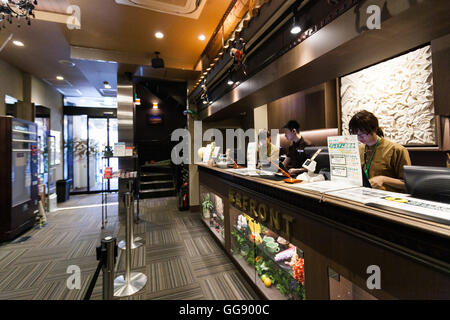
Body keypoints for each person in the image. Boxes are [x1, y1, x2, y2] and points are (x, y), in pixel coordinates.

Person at [349, 110, 411, 192]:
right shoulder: (358, 149)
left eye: (362, 134)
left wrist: (383, 179)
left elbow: (408, 184)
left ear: (374, 129)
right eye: (356, 135)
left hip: (388, 198)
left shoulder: (397, 150)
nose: (359, 138)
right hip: (362, 195)